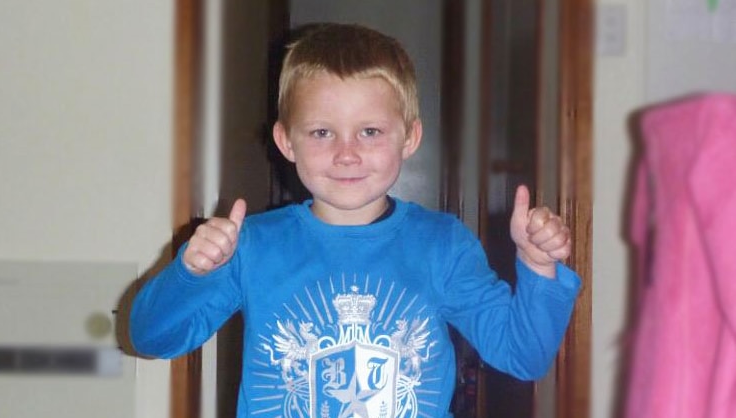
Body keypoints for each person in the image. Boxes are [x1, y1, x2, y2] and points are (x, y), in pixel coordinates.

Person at [130, 23, 580, 418]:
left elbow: (525, 356)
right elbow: (152, 338)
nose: (347, 153)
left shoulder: (443, 245)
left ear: (410, 137)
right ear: (287, 141)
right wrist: (190, 272)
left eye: (370, 131)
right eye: (322, 132)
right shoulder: (252, 246)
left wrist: (539, 269)